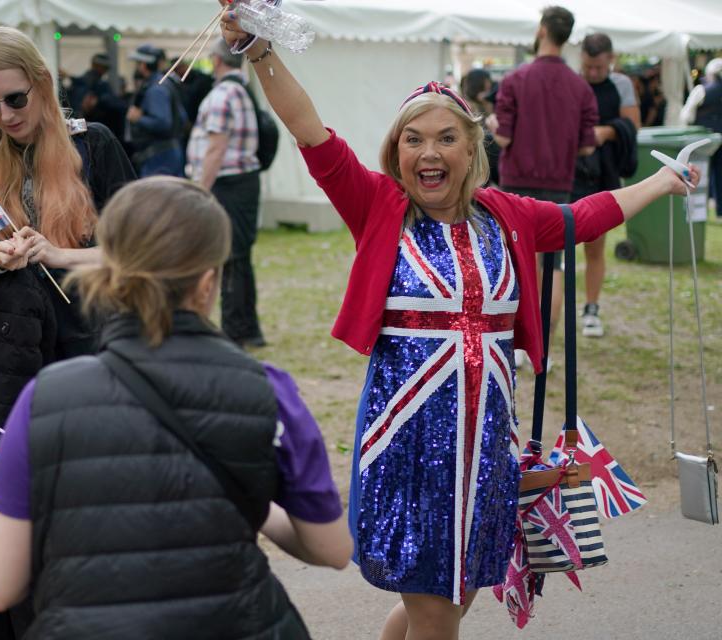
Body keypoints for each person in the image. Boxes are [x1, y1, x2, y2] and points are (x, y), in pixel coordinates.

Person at [219, 6, 699, 639]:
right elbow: (309, 131)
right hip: (408, 448)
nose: (429, 152)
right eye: (413, 140)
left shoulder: (506, 215)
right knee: (436, 610)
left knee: (456, 599)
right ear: (397, 151)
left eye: (446, 137)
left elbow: (585, 217)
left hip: (487, 451)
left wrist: (661, 183)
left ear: (473, 148)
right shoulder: (378, 206)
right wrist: (257, 47)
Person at [0, 176, 353, 639]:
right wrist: (251, 502)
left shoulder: (45, 398)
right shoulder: (267, 390)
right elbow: (332, 548)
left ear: (111, 273)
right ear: (207, 282)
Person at [0, 26, 135, 640]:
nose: (4, 115)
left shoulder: (92, 146)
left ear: (42, 86)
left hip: (78, 371)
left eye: (15, 98)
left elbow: (142, 259)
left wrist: (58, 255)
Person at [488, 6, 598, 365]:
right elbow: (586, 145)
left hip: (516, 182)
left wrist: (491, 124)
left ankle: (516, 345)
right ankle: (544, 349)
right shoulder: (580, 87)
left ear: (542, 30)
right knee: (553, 266)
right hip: (558, 184)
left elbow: (502, 139)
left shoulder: (516, 79)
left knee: (518, 263)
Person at [187, 39, 266, 347]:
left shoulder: (221, 95)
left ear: (217, 62)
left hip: (227, 184)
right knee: (240, 257)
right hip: (244, 182)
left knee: (228, 256)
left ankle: (234, 332)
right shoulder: (244, 91)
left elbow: (216, 148)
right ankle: (248, 329)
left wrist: (199, 192)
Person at [574, 33, 641, 337]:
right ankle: (547, 312)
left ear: (610, 60)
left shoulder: (621, 85)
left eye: (599, 67)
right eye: (588, 66)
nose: (593, 73)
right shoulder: (572, 82)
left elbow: (632, 125)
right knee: (550, 248)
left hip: (604, 172)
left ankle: (591, 307)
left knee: (595, 242)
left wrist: (604, 133)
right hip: (570, 170)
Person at [126, 44, 188, 177]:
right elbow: (182, 118)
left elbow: (163, 123)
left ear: (143, 65)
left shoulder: (155, 89)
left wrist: (138, 118)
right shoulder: (164, 83)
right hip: (168, 154)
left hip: (159, 158)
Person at [682, 58, 722, 211]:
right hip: (719, 137)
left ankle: (699, 205)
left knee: (699, 172)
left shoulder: (701, 90)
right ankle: (719, 208)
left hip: (703, 137)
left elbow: (687, 115)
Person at [68, 53, 127, 140]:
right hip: (90, 133)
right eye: (104, 68)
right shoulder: (96, 85)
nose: (105, 71)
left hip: (82, 132)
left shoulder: (79, 85)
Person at [459, 69, 499, 186]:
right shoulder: (470, 107)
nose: (490, 86)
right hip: (478, 159)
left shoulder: (481, 103)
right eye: (488, 83)